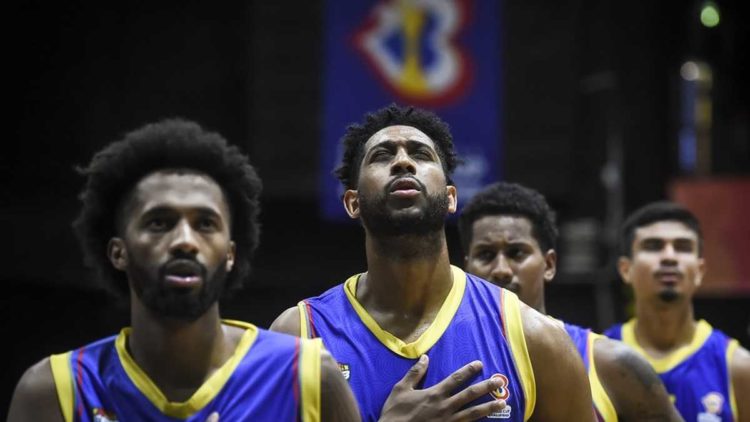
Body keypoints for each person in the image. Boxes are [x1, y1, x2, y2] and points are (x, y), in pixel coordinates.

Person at [8, 119, 360, 422]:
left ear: (230, 254)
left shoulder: (311, 377)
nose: (185, 241)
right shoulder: (55, 391)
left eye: (205, 223)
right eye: (159, 222)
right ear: (118, 251)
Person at [271, 104, 595, 421]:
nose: (402, 162)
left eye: (421, 154)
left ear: (451, 197)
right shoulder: (299, 334)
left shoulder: (537, 338)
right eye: (382, 156)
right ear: (353, 203)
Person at [458, 182, 682, 421]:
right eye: (486, 255)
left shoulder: (610, 363)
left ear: (550, 265)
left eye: (516, 253)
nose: (501, 270)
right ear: (466, 267)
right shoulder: (448, 357)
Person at [604, 201, 750, 421]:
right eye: (653, 246)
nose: (669, 257)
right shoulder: (596, 359)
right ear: (626, 269)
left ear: (700, 270)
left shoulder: (738, 368)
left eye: (683, 247)